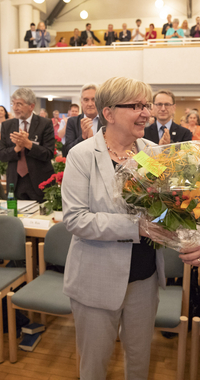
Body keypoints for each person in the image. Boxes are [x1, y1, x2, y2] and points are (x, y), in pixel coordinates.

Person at [62, 76, 197, 380]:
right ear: (108, 113)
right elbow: (75, 219)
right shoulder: (82, 156)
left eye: (146, 105)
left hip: (145, 278)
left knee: (139, 361)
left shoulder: (151, 153)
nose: (147, 112)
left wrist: (190, 234)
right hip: (96, 280)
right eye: (136, 106)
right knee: (94, 365)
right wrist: (138, 227)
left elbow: (171, 206)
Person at [0, 88, 54, 202]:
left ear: (31, 106)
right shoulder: (7, 126)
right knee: (15, 217)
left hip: (39, 181)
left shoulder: (45, 124)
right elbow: (2, 155)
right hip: (15, 182)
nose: (15, 108)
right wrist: (16, 149)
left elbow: (48, 154)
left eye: (19, 104)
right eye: (13, 103)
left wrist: (28, 144)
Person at [63, 83, 102, 156]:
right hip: (80, 165)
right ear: (81, 102)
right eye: (86, 100)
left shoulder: (107, 121)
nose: (90, 104)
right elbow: (67, 151)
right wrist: (82, 137)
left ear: (99, 101)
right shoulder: (72, 122)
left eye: (93, 99)